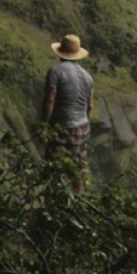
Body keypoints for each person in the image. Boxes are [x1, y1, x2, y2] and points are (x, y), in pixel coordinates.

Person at [42, 35, 95, 194]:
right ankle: (80, 204)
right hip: (83, 128)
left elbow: (49, 100)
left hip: (63, 129)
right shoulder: (87, 77)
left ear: (60, 53)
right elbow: (89, 107)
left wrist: (44, 125)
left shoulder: (56, 72)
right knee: (77, 170)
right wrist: (86, 130)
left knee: (53, 169)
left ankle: (53, 206)